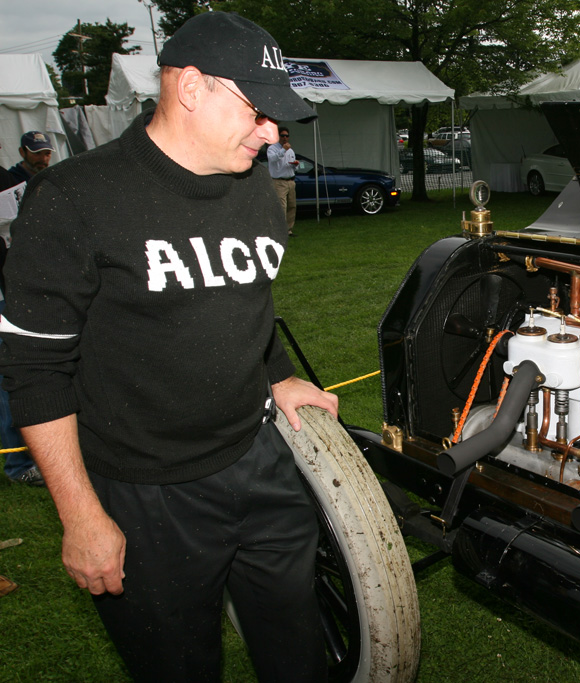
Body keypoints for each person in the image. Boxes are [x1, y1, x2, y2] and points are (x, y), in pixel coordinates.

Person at [0, 11, 337, 682]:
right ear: (190, 88)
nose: (272, 133)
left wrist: (279, 374)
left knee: (302, 654)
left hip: (261, 467)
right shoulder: (73, 197)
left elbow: (245, 303)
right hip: (144, 498)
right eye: (258, 111)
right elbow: (35, 367)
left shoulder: (256, 196)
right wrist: (81, 513)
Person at [0, 137, 40, 485]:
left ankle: (20, 462)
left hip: (8, 289)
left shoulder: (11, 183)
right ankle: (17, 464)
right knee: (10, 378)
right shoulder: (10, 181)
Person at [267, 125, 299, 235]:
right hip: (279, 181)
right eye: (282, 136)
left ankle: (288, 229)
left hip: (290, 181)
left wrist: (296, 165)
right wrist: (283, 150)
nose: (285, 138)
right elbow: (273, 159)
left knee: (292, 205)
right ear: (278, 136)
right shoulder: (272, 148)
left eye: (287, 136)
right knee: (281, 206)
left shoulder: (291, 150)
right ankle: (279, 230)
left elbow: (292, 165)